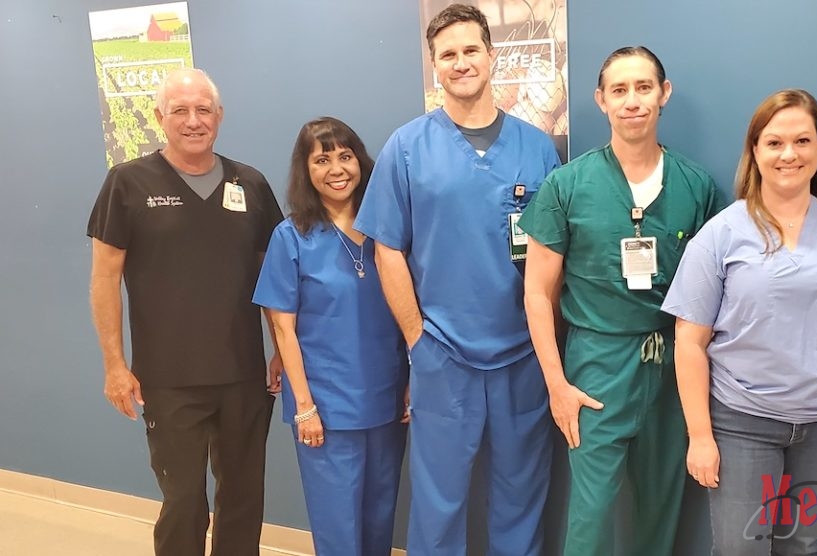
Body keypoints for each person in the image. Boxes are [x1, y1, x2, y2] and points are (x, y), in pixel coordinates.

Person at [353, 4, 560, 555]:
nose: (461, 62)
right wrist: (418, 338)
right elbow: (386, 249)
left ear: (492, 56)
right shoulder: (407, 147)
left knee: (521, 492)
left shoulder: (537, 147)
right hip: (443, 352)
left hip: (524, 352)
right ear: (435, 65)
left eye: (471, 50)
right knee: (438, 499)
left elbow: (558, 250)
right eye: (449, 54)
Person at [518, 46, 725, 556]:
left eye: (643, 87)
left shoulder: (696, 186)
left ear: (663, 94)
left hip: (673, 364)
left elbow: (719, 292)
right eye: (619, 90)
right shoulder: (567, 185)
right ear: (600, 100)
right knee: (590, 514)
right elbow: (537, 292)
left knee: (661, 506)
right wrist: (557, 385)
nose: (632, 101)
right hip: (596, 365)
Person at [662, 89, 817, 555]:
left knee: (802, 547)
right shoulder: (721, 235)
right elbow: (688, 341)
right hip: (743, 424)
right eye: (775, 142)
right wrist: (700, 435)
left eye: (803, 141)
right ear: (755, 151)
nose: (789, 154)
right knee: (741, 550)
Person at [87, 68, 283, 556]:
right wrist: (115, 365)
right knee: (183, 503)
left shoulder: (251, 184)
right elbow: (104, 279)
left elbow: (274, 281)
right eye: (180, 110)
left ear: (219, 116)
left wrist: (280, 350)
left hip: (243, 375)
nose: (193, 121)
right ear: (159, 117)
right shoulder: (127, 183)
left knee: (243, 498)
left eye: (203, 110)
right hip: (168, 380)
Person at [252, 117, 408, 556]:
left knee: (380, 516)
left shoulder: (388, 233)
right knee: (338, 524)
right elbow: (283, 328)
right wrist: (304, 408)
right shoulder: (292, 237)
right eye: (322, 159)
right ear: (307, 170)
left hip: (388, 399)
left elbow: (407, 315)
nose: (337, 168)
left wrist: (414, 381)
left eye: (345, 156)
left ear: (361, 161)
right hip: (325, 407)